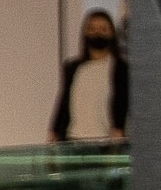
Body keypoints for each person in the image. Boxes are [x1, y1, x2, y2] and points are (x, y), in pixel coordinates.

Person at [48, 10, 127, 143]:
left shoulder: (120, 67)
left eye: (103, 29)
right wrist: (54, 131)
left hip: (106, 142)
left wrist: (119, 130)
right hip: (72, 140)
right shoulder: (73, 67)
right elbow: (63, 101)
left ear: (112, 33)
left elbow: (122, 102)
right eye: (92, 29)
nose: (97, 33)